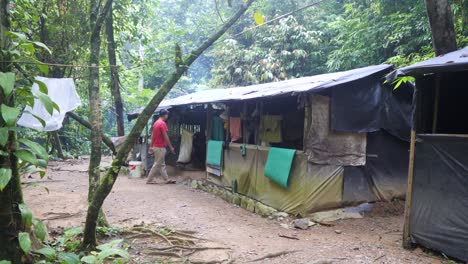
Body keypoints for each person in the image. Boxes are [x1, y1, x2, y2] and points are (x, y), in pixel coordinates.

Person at [147, 109, 175, 184]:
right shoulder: (162, 123)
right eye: (167, 115)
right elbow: (166, 136)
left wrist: (151, 146)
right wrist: (171, 147)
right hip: (160, 147)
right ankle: (149, 179)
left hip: (156, 146)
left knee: (161, 164)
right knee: (157, 164)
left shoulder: (156, 123)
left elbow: (152, 136)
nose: (167, 116)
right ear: (165, 115)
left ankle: (166, 179)